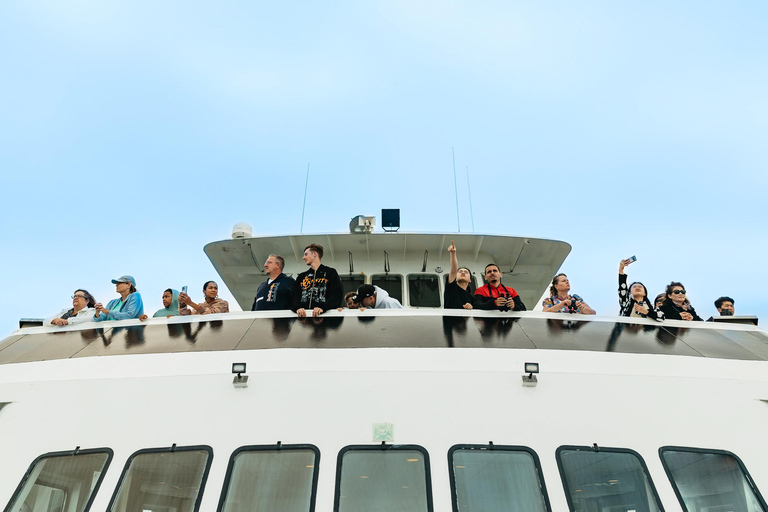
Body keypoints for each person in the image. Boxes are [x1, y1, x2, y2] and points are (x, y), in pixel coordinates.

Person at [291, 244, 344, 317]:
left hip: (324, 318)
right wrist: (297, 307)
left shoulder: (330, 273)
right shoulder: (301, 276)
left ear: (315, 254)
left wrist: (323, 307)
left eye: (306, 254)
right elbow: (295, 296)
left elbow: (337, 294)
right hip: (304, 319)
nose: (303, 258)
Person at [444, 240, 474, 310]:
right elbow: (453, 270)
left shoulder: (471, 298)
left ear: (470, 280)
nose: (463, 272)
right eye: (460, 271)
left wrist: (470, 307)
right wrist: (453, 253)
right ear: (456, 278)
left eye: (466, 272)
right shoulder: (451, 289)